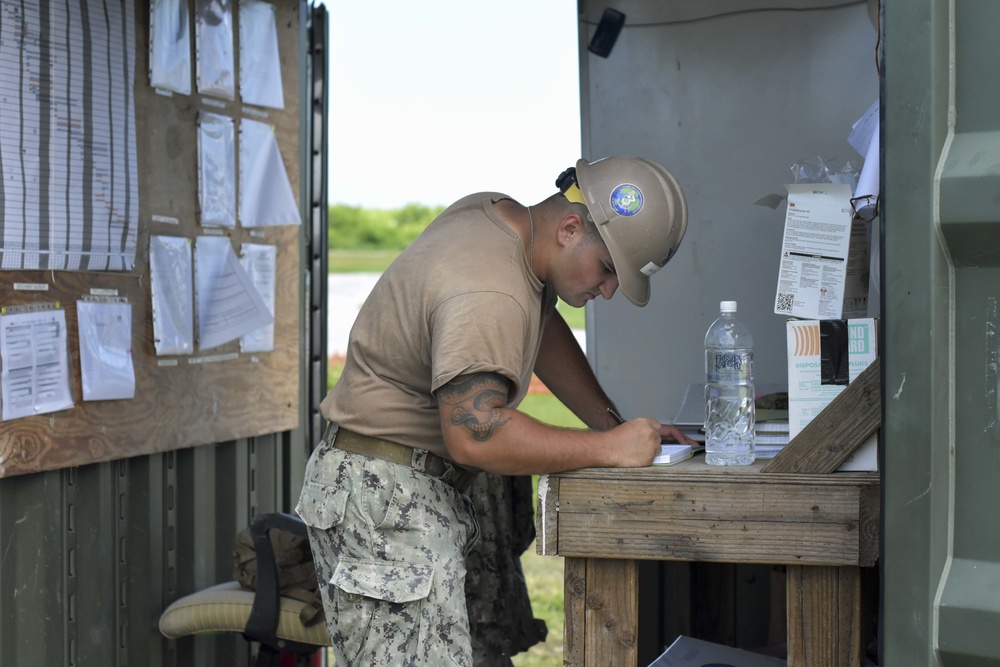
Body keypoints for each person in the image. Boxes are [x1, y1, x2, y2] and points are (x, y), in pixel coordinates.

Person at [296, 156, 695, 666]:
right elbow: (476, 433)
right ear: (571, 228)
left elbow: (539, 323)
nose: (610, 289)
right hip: (386, 503)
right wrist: (609, 449)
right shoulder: (489, 287)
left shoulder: (499, 220)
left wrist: (608, 422)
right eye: (609, 269)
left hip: (393, 489)